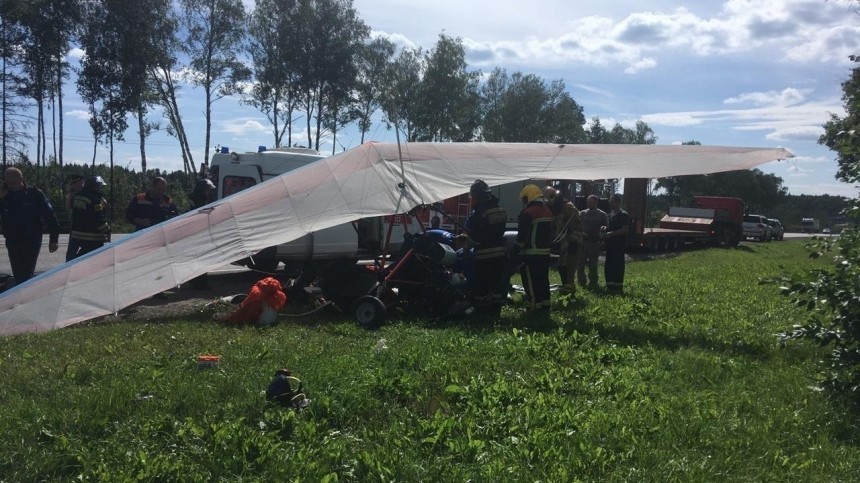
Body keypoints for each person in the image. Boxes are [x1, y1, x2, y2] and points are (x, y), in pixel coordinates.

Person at [0, 167, 60, 286]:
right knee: (18, 273)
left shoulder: (35, 194)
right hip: (12, 239)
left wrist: (54, 239)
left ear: (21, 179)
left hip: (31, 239)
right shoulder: (4, 195)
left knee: (26, 273)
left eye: (13, 182)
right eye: (7, 183)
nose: (10, 185)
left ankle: (24, 297)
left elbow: (50, 216)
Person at [463, 179, 508, 315]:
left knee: (482, 284)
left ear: (476, 196)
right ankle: (495, 311)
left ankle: (482, 312)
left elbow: (473, 234)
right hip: (500, 252)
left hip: (484, 254)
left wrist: (464, 250)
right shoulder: (500, 207)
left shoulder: (479, 212)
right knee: (496, 284)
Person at [515, 184, 553, 311]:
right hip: (545, 252)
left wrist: (516, 249)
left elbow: (522, 235)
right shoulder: (547, 211)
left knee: (531, 281)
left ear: (529, 198)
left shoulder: (528, 213)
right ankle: (545, 304)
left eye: (525, 199)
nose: (524, 202)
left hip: (531, 253)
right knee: (543, 279)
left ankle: (533, 306)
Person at [545, 187, 583, 294]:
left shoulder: (569, 207)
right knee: (562, 266)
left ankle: (569, 293)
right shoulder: (557, 208)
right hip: (563, 243)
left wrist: (573, 243)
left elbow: (578, 228)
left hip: (573, 243)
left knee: (569, 268)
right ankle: (566, 289)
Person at [67, 176, 110, 261]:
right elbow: (98, 218)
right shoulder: (95, 200)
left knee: (70, 260)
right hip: (92, 237)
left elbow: (72, 211)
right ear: (94, 187)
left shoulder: (78, 196)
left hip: (75, 234)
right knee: (89, 261)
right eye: (99, 186)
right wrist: (107, 230)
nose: (100, 189)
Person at [187, 178, 217, 290]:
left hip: (202, 234)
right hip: (194, 235)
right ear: (202, 190)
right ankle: (198, 282)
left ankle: (200, 281)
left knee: (203, 258)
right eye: (208, 190)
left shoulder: (204, 202)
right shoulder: (193, 202)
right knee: (198, 258)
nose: (210, 193)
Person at [601, 194, 630, 294]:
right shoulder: (610, 215)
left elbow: (625, 229)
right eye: (610, 202)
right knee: (609, 265)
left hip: (619, 245)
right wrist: (605, 228)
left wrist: (611, 233)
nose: (610, 203)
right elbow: (610, 227)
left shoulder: (623, 215)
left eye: (612, 202)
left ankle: (618, 288)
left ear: (618, 202)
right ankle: (609, 286)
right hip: (610, 245)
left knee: (618, 265)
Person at [578, 195, 608, 289]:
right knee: (580, 263)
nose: (589, 204)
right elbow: (577, 224)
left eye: (591, 202)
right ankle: (581, 281)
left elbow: (607, 226)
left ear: (596, 203)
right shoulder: (582, 213)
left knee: (593, 264)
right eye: (588, 202)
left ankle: (593, 281)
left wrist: (604, 229)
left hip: (595, 242)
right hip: (583, 242)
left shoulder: (602, 214)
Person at [64, 174, 85, 262]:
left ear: (82, 182)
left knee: (87, 254)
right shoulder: (73, 195)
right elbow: (68, 208)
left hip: (86, 229)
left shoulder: (88, 193)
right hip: (75, 229)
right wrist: (70, 197)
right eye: (72, 183)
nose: (74, 185)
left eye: (76, 182)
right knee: (70, 257)